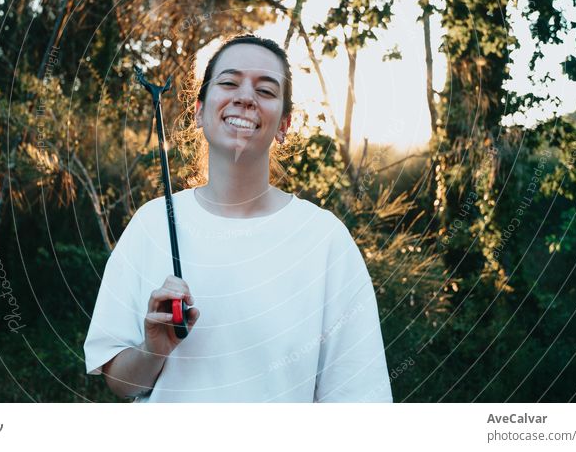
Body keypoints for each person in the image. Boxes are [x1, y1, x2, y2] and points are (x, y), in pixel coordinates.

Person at [84, 34, 393, 402]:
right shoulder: (150, 226)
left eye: (266, 90)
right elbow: (121, 384)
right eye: (229, 82)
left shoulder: (325, 240)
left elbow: (356, 400)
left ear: (284, 125)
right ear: (199, 110)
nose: (245, 97)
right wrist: (155, 347)